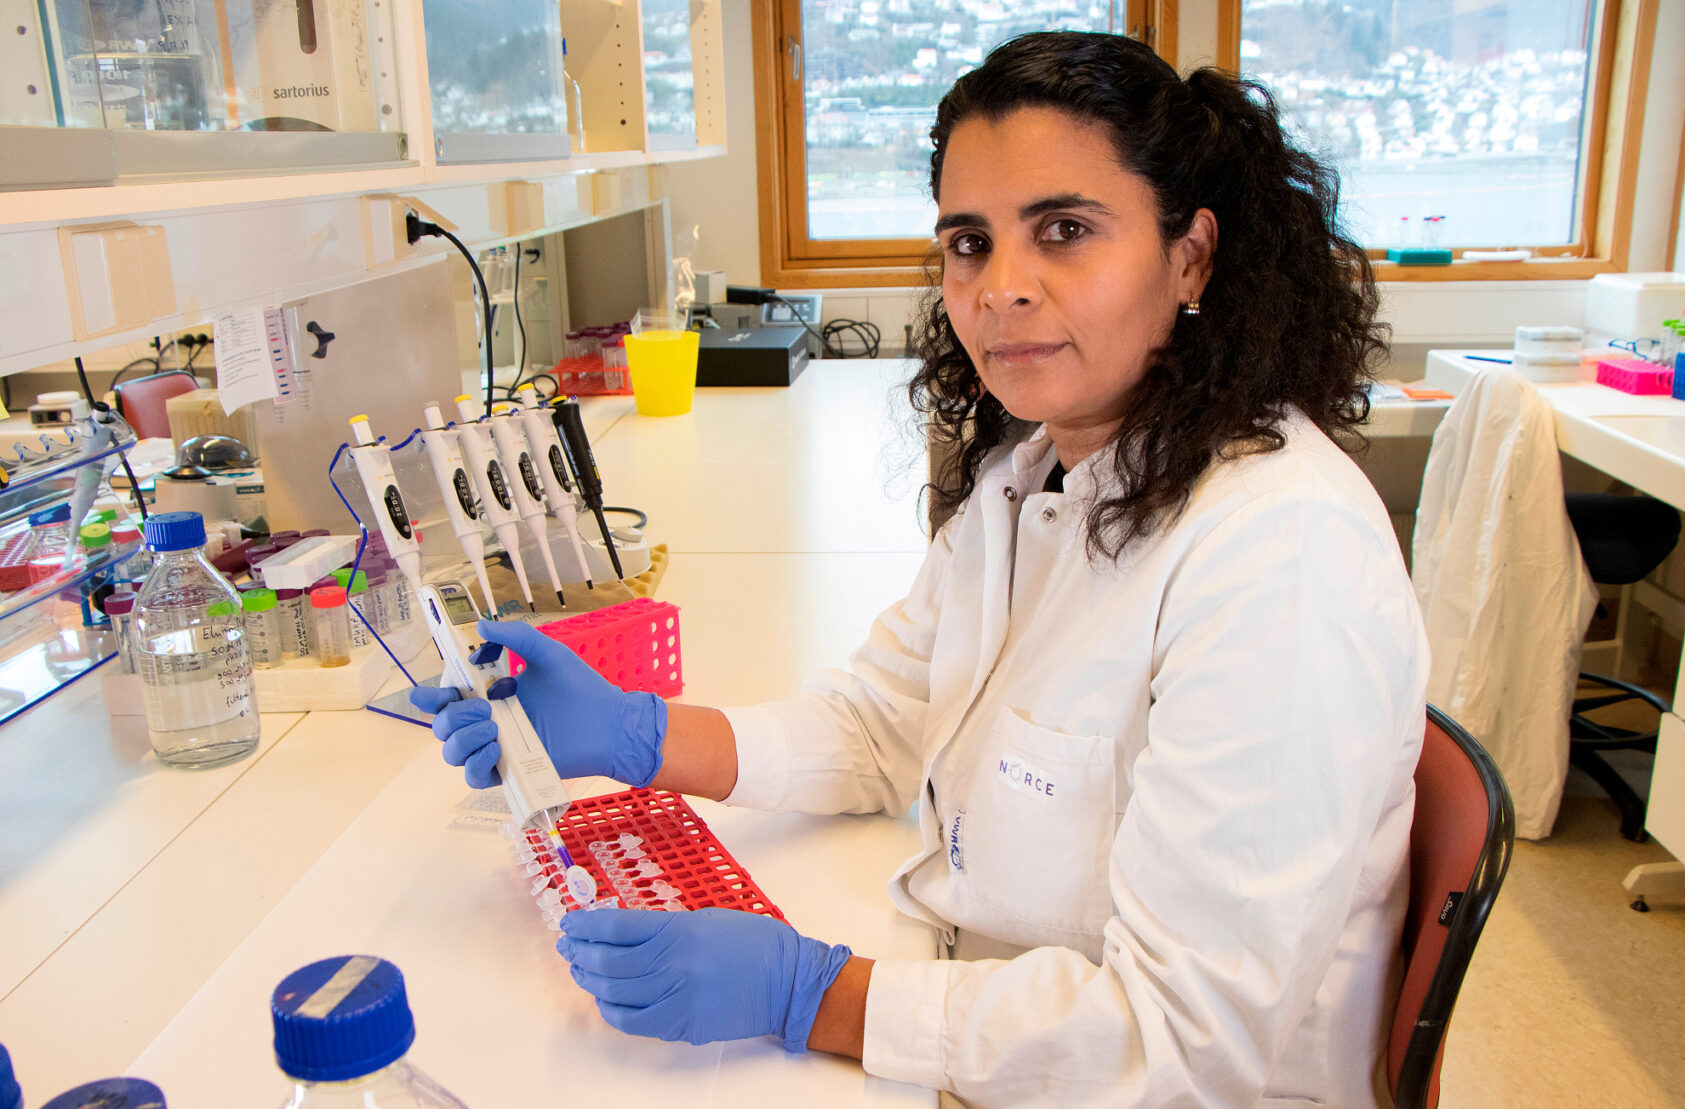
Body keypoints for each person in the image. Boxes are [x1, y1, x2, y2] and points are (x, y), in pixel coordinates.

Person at [412, 30, 1428, 1108]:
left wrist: (816, 995)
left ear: (1191, 256)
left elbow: (1182, 1041)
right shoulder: (1030, 477)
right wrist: (642, 734)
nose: (1001, 288)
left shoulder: (1278, 553)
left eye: (1065, 230)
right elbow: (881, 722)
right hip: (992, 1017)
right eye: (969, 243)